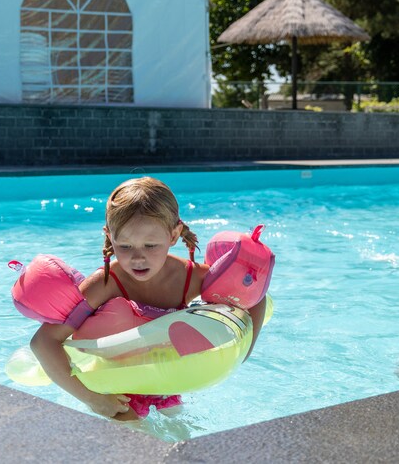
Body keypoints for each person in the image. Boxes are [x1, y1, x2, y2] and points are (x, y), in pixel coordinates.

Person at [29, 176, 268, 420]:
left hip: (165, 384)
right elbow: (43, 342)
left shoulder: (190, 278)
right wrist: (93, 399)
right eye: (125, 246)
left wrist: (244, 351)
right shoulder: (106, 283)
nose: (138, 258)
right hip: (116, 388)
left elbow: (255, 297)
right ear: (109, 236)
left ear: (174, 235)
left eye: (151, 245)